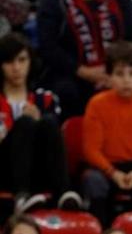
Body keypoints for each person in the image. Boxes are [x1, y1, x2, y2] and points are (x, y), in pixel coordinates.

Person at [37, 0, 132, 119]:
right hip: (71, 73)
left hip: (116, 72)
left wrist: (116, 72)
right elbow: (48, 46)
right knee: (66, 91)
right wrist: (83, 71)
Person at [81, 41, 132, 226]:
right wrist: (113, 173)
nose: (126, 80)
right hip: (105, 169)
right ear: (109, 77)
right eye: (119, 74)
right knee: (94, 182)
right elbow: (91, 150)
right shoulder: (97, 104)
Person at [0, 33, 82, 214]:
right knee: (25, 123)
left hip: (39, 169)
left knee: (47, 121)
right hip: (5, 171)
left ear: (31, 61)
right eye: (9, 62)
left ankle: (63, 192)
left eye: (22, 60)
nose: (16, 68)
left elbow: (54, 144)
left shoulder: (45, 99)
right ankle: (22, 196)